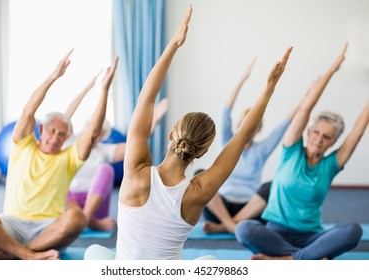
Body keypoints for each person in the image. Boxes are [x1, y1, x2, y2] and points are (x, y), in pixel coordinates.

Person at [84, 5, 293, 260]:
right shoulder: (198, 192)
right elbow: (242, 136)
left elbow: (145, 99)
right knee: (210, 262)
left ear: (172, 133)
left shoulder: (136, 171)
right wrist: (270, 86)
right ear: (204, 151)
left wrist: (174, 44)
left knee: (95, 251)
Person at [0, 50, 118, 260]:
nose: (55, 137)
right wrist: (54, 76)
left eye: (62, 134)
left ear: (67, 137)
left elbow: (92, 133)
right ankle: (27, 254)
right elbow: (28, 112)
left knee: (77, 218)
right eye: (52, 131)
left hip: (49, 230)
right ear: (42, 129)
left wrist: (104, 90)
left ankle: (14, 253)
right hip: (11, 223)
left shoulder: (70, 158)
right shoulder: (22, 145)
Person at [235, 43, 368, 260]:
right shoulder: (291, 151)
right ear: (308, 132)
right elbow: (305, 108)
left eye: (326, 137)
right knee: (244, 229)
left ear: (333, 142)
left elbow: (357, 133)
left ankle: (286, 260)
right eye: (316, 132)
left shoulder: (331, 164)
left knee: (354, 231)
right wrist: (332, 70)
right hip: (275, 233)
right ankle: (305, 259)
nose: (318, 139)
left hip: (311, 236)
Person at [203, 58, 299, 234]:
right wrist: (242, 79)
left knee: (274, 184)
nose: (248, 129)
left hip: (250, 210)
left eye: (253, 126)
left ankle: (225, 227)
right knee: (200, 175)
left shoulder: (261, 149)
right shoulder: (227, 141)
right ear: (239, 125)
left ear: (258, 129)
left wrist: (308, 97)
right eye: (245, 124)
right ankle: (231, 225)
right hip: (220, 207)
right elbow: (226, 111)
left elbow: (284, 125)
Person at [64, 74, 169, 232]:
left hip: (95, 208)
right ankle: (83, 220)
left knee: (107, 169)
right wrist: (86, 89)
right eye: (93, 131)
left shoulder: (104, 151)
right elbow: (64, 118)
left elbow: (135, 143)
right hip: (69, 203)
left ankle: (85, 218)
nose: (95, 136)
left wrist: (153, 121)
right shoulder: (70, 142)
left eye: (100, 134)